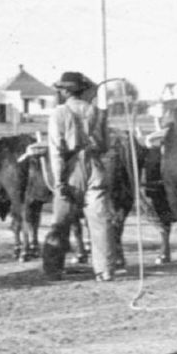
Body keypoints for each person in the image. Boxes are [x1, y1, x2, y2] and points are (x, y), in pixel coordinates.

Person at [41, 71, 116, 282]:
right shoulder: (98, 112)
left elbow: (56, 149)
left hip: (70, 167)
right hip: (95, 166)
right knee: (100, 220)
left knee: (61, 221)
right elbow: (105, 146)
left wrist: (58, 181)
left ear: (66, 91)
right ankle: (105, 269)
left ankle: (54, 269)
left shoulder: (59, 113)